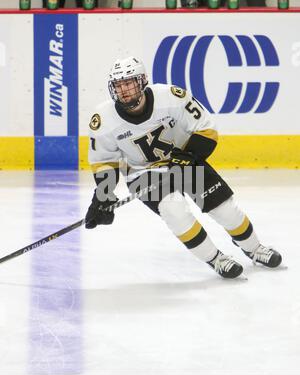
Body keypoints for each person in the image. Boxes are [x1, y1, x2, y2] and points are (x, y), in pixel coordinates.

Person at [85, 56, 282, 279]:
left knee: (224, 209)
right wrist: (102, 195)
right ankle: (215, 259)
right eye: (119, 85)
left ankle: (254, 249)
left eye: (129, 83)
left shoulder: (170, 97)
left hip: (184, 159)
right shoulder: (103, 119)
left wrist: (189, 157)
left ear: (142, 81)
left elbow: (206, 129)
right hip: (142, 173)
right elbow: (104, 160)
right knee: (173, 209)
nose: (124, 90)